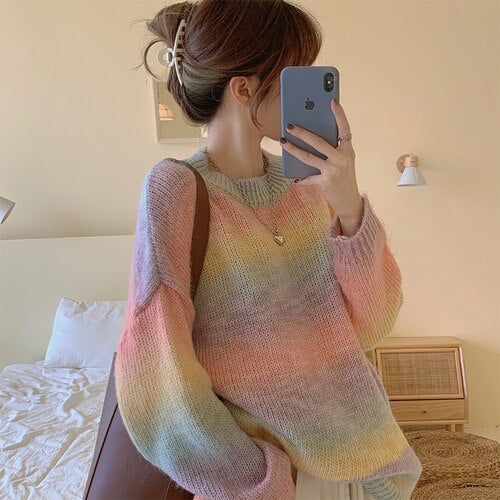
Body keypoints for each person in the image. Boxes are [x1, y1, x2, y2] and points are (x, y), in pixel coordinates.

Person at [115, 1, 423, 499]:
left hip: (363, 466)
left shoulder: (306, 187)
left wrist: (349, 208)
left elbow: (373, 322)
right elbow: (156, 374)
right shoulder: (175, 189)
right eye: (297, 72)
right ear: (244, 89)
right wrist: (256, 477)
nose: (314, 90)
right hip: (270, 481)